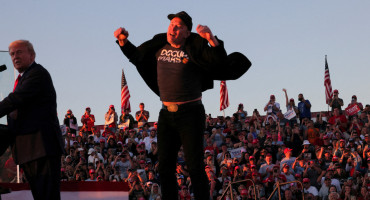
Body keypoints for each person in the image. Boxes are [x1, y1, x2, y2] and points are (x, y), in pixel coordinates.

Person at [114, 11, 250, 200]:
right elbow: (137, 56)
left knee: (194, 166)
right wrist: (122, 42)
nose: (173, 28)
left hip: (191, 113)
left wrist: (211, 39)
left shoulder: (195, 47)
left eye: (179, 26)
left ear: (187, 33)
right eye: (171, 25)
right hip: (166, 114)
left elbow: (219, 62)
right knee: (165, 166)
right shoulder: (159, 44)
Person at [0, 40, 64, 199]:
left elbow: (15, 100)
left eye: (19, 52)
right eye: (12, 54)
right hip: (29, 149)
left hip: (41, 147)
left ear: (32, 55)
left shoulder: (37, 74)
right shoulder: (23, 78)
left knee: (47, 196)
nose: (15, 57)